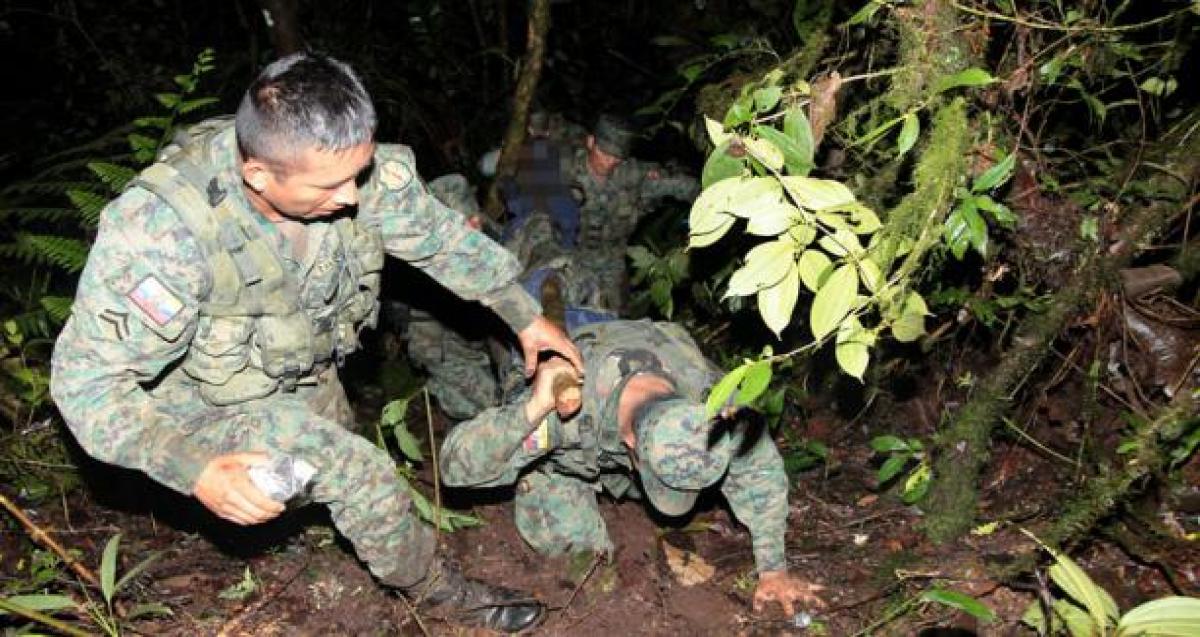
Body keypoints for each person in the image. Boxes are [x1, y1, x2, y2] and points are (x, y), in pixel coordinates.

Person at [49, 52, 588, 633]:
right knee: (361, 474)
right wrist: (196, 467)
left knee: (317, 467)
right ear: (259, 175)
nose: (354, 197)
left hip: (298, 367)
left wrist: (525, 314)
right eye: (334, 185)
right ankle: (439, 590)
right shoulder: (162, 234)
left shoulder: (350, 173)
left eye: (360, 173)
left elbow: (442, 243)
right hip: (199, 404)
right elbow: (87, 388)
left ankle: (301, 527)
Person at [439, 319, 827, 617]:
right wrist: (532, 409)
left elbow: (760, 472)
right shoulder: (565, 410)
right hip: (567, 355)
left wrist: (773, 570)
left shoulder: (713, 399)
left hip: (627, 338)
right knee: (572, 548)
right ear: (631, 447)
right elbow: (455, 469)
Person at [562, 114, 700, 310]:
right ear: (591, 142)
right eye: (604, 153)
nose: (609, 162)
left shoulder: (633, 176)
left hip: (612, 264)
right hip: (569, 260)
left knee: (613, 324)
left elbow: (684, 186)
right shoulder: (563, 172)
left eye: (617, 157)